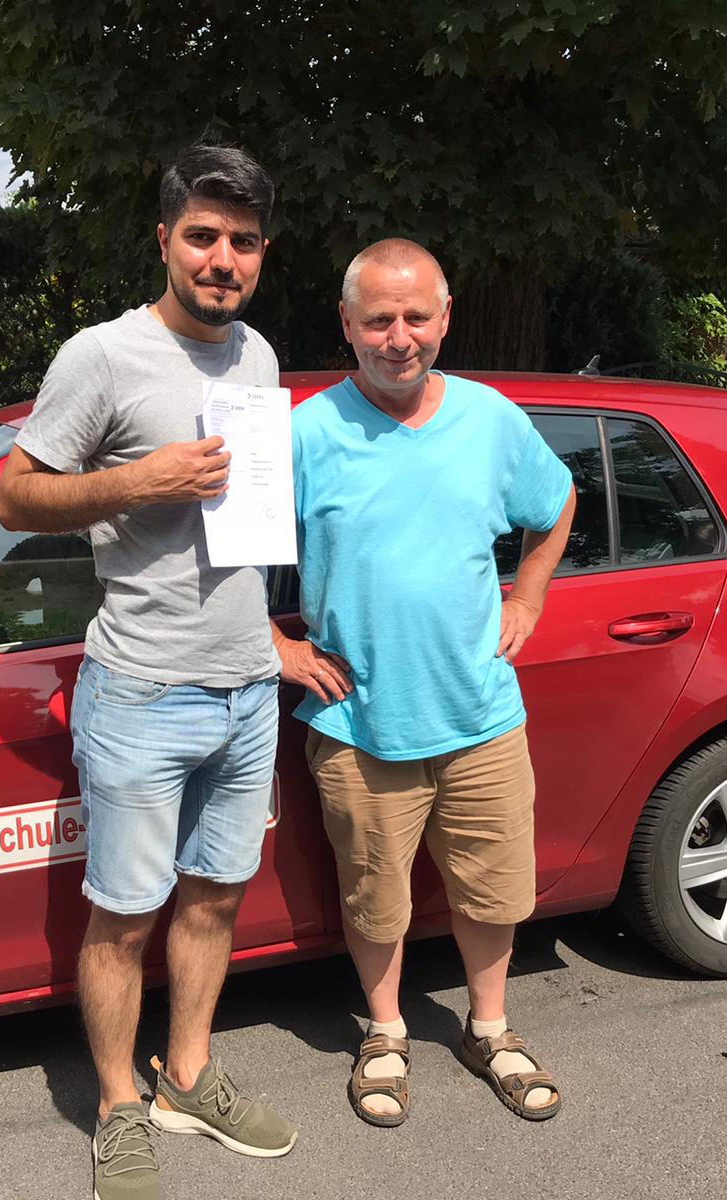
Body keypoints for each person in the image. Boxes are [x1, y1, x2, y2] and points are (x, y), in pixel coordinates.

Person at [0, 143, 297, 1200]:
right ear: (165, 240)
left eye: (242, 241)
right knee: (124, 917)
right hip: (142, 692)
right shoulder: (102, 356)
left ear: (261, 254)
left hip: (247, 689)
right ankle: (119, 1107)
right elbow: (15, 498)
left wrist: (273, 641)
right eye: (203, 236)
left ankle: (189, 1077)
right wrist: (137, 480)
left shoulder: (258, 358)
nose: (222, 259)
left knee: (215, 900)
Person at [273, 238, 577, 1128]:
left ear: (444, 318)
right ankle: (386, 1032)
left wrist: (529, 594)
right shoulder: (304, 433)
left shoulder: (489, 419)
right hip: (359, 719)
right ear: (346, 324)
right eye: (379, 319)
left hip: (480, 714)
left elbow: (556, 503)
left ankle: (490, 1029)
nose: (398, 337)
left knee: (494, 891)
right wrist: (274, 643)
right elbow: (228, 551)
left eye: (416, 316)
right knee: (375, 899)